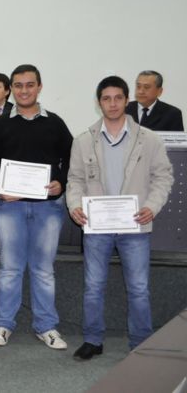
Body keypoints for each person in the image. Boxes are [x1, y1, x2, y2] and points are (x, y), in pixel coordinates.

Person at [66, 76, 173, 360]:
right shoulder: (83, 140)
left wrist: (153, 205)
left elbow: (163, 176)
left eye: (117, 98)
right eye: (106, 98)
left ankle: (141, 341)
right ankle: (92, 340)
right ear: (98, 102)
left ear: (127, 101)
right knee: (93, 287)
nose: (112, 104)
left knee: (139, 288)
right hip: (97, 226)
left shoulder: (149, 139)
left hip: (135, 224)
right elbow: (74, 180)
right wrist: (75, 204)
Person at [0, 64, 73, 350]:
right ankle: (3, 325)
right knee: (9, 268)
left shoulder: (55, 123)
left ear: (39, 87)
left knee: (43, 270)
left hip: (48, 208)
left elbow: (72, 160)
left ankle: (46, 327)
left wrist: (61, 182)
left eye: (29, 85)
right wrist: (0, 189)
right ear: (12, 89)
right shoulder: (1, 124)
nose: (24, 90)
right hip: (9, 208)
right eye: (18, 85)